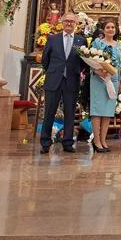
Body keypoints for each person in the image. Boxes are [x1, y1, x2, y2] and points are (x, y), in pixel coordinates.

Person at [39, 12, 87, 154]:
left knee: (70, 113)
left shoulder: (81, 41)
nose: (69, 23)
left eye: (72, 21)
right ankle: (45, 142)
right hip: (54, 80)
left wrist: (76, 72)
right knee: (49, 112)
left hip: (71, 81)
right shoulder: (53, 39)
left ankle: (67, 142)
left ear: (76, 24)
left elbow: (83, 62)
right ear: (62, 22)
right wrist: (55, 72)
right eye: (67, 21)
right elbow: (45, 60)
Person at [89, 19, 121, 154]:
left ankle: (103, 140)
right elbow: (90, 59)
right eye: (108, 27)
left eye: (113, 27)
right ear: (103, 29)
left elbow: (119, 64)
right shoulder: (97, 42)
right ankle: (96, 141)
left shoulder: (118, 45)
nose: (110, 29)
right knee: (97, 110)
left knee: (108, 111)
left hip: (113, 80)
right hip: (98, 79)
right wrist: (97, 70)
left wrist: (119, 81)